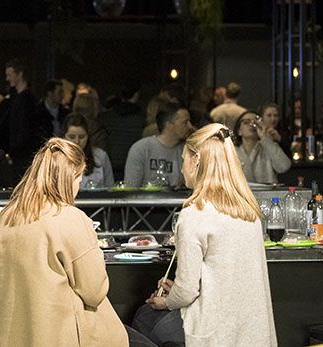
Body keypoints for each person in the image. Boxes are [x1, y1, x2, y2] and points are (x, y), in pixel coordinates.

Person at [0, 138, 152, 347]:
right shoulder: (70, 218)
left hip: (11, 336)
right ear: (69, 178)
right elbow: (94, 292)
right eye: (79, 178)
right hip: (63, 335)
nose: (78, 187)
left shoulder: (8, 217)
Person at [133, 123, 277, 346]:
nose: (182, 169)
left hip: (212, 331)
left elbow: (186, 292)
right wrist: (178, 292)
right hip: (253, 330)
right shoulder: (249, 212)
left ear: (196, 161)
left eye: (183, 160)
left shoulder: (194, 214)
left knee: (144, 317)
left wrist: (166, 302)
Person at [0, 58, 40, 179]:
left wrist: (14, 150)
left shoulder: (26, 99)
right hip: (18, 153)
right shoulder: (15, 98)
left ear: (20, 74)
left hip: (22, 155)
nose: (7, 78)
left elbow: (24, 129)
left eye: (10, 74)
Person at [124, 104, 194, 188]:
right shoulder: (141, 149)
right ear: (169, 125)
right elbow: (130, 188)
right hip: (147, 196)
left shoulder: (187, 151)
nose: (190, 126)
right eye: (185, 122)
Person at [234, 110, 291, 184]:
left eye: (255, 122)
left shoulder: (268, 147)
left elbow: (284, 167)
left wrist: (264, 138)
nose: (251, 125)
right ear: (239, 131)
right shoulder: (232, 152)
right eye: (246, 122)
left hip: (267, 191)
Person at [101, 81, 145, 176]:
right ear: (136, 94)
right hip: (133, 161)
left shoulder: (108, 116)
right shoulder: (142, 117)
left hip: (112, 162)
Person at [63, 113, 114, 189]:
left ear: (88, 136)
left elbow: (110, 188)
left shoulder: (101, 156)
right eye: (72, 137)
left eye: (81, 137)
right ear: (64, 137)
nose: (77, 141)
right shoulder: (54, 159)